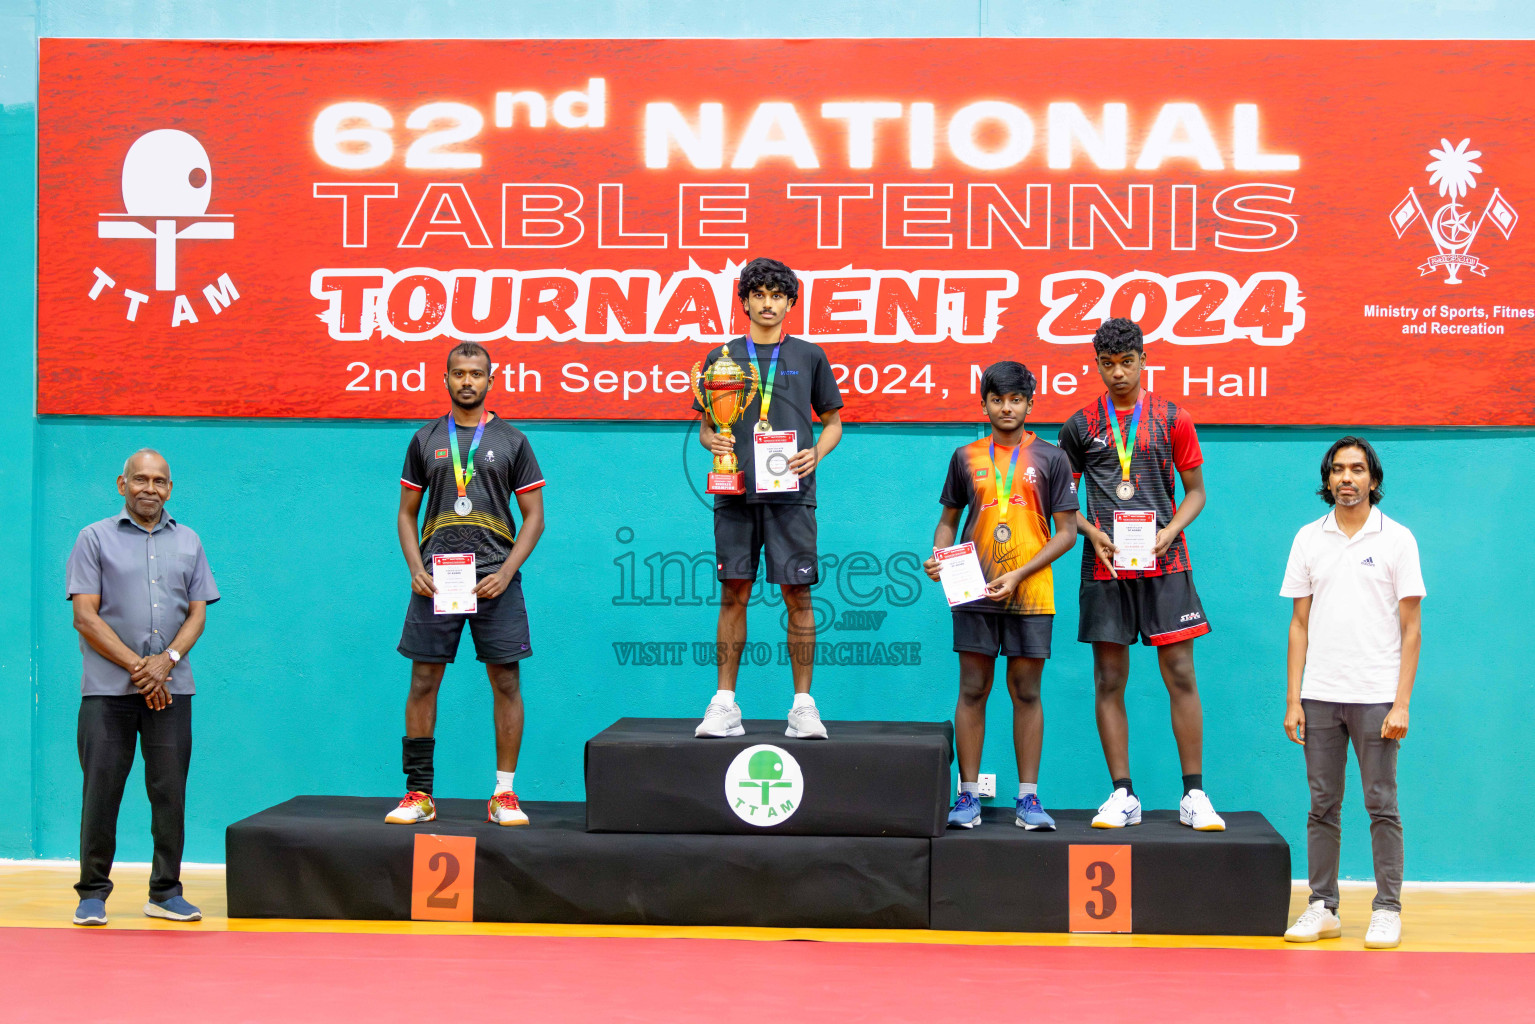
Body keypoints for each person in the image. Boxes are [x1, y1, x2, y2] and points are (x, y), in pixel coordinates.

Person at [1058, 317, 1225, 831]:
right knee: (1109, 679)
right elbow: (1062, 502)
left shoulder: (1173, 418)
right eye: (1107, 365)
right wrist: (1090, 531)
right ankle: (1122, 795)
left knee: (1180, 675)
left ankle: (1194, 795)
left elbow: (1196, 492)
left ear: (1143, 359)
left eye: (1127, 362)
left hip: (1166, 561)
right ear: (1098, 366)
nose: (1118, 374)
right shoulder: (1080, 425)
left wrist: (1170, 530)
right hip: (1105, 566)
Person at [387, 342, 546, 826]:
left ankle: (504, 794)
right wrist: (416, 567)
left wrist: (505, 571)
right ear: (446, 379)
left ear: (491, 380)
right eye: (459, 373)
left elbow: (535, 518)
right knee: (422, 681)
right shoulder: (424, 439)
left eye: (476, 373)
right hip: (438, 580)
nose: (467, 381)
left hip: (494, 580)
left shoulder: (513, 441)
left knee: (506, 681)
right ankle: (419, 795)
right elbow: (406, 513)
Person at [65, 449, 220, 926]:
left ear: (169, 488)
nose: (150, 488)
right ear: (122, 484)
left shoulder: (189, 540)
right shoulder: (93, 539)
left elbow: (198, 612)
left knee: (170, 792)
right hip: (107, 692)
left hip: (172, 689)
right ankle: (92, 894)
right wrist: (142, 668)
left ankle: (165, 892)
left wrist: (167, 661)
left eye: (160, 481)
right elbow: (85, 617)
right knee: (102, 791)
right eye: (141, 480)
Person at [691, 257, 844, 740]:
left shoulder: (809, 356)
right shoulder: (721, 357)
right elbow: (705, 426)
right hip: (734, 491)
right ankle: (724, 705)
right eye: (758, 294)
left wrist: (815, 454)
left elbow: (834, 423)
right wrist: (711, 441)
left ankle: (802, 707)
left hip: (792, 495)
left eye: (777, 295)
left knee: (797, 594)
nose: (767, 303)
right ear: (744, 302)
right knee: (732, 592)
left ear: (790, 303)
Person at [1281, 437, 1423, 950]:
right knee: (1323, 805)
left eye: (1357, 469)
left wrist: (1401, 702)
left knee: (1381, 803)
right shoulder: (1307, 538)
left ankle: (1387, 909)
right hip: (1319, 694)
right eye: (1338, 470)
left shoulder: (1397, 539)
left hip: (1376, 696)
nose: (1347, 478)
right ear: (1328, 480)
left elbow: (1412, 629)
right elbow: (1299, 624)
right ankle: (1323, 907)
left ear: (1373, 479)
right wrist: (1294, 698)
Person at [923, 361, 1077, 830]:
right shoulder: (965, 456)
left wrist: (1020, 574)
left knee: (1026, 692)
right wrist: (939, 554)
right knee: (972, 689)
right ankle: (967, 796)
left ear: (1031, 403)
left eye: (1016, 399)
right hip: (973, 587)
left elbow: (1067, 533)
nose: (1006, 408)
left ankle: (1028, 800)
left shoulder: (1052, 458)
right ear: (985, 402)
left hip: (1030, 591)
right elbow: (950, 520)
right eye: (997, 399)